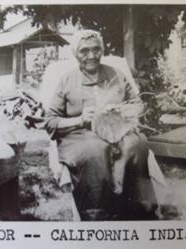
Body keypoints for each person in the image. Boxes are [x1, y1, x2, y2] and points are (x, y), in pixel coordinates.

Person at [45, 30, 158, 220]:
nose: (92, 56)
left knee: (137, 145)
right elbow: (50, 121)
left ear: (102, 50)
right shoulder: (67, 80)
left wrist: (123, 112)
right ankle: (97, 216)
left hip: (118, 130)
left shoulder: (116, 74)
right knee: (94, 152)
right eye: (84, 51)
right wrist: (79, 119)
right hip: (80, 134)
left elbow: (137, 105)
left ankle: (139, 212)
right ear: (75, 53)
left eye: (97, 49)